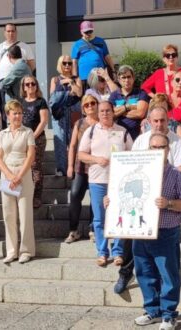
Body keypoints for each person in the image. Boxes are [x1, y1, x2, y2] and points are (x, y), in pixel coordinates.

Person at [104, 132, 181, 330]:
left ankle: (169, 315)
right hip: (140, 231)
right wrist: (111, 201)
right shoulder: (135, 171)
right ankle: (152, 311)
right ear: (148, 149)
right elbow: (121, 195)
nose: (158, 151)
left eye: (162, 147)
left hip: (165, 232)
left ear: (168, 150)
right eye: (154, 147)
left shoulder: (176, 175)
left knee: (168, 274)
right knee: (144, 273)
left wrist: (169, 203)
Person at [112, 107, 181, 295]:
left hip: (165, 221)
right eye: (155, 121)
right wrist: (115, 199)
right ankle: (131, 281)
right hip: (141, 214)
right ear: (149, 121)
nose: (159, 124)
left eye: (162, 120)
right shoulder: (141, 139)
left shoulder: (176, 142)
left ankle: (168, 314)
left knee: (167, 272)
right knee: (144, 269)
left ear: (168, 120)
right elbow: (129, 170)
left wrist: (164, 190)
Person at [77, 100, 132, 267]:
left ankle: (118, 252)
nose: (105, 114)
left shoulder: (122, 132)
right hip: (97, 180)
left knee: (119, 216)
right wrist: (96, 159)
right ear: (98, 113)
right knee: (100, 219)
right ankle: (102, 252)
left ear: (113, 112)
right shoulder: (91, 131)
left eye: (108, 110)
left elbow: (133, 154)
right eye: (102, 111)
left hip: (119, 183)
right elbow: (80, 154)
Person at [0, 100, 37, 264]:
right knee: (9, 215)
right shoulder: (2, 134)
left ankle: (26, 250)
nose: (18, 116)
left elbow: (31, 155)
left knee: (25, 214)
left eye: (20, 113)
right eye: (15, 113)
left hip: (23, 175)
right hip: (7, 176)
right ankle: (12, 251)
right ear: (8, 115)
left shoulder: (28, 132)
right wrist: (9, 175)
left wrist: (19, 175)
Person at [65, 95, 99, 243]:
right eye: (87, 105)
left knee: (94, 197)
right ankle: (73, 230)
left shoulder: (103, 122)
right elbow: (72, 145)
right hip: (81, 165)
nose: (90, 106)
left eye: (93, 103)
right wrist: (70, 165)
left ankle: (93, 229)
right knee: (75, 194)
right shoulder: (79, 123)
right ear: (83, 109)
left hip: (97, 166)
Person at [49, 55, 83, 176]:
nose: (67, 65)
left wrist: (70, 82)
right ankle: (61, 168)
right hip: (60, 113)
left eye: (69, 63)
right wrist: (68, 91)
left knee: (75, 140)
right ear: (60, 64)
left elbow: (79, 93)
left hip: (74, 111)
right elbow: (53, 97)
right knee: (60, 141)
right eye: (64, 63)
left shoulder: (77, 79)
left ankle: (75, 167)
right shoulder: (55, 80)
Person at [19, 75, 49, 209]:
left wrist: (32, 137)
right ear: (23, 87)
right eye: (27, 84)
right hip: (22, 139)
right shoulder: (20, 102)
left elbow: (43, 121)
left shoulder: (41, 101)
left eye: (33, 84)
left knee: (36, 167)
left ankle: (36, 196)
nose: (30, 86)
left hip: (38, 139)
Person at [109, 65, 149, 140]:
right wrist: (127, 107)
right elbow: (111, 115)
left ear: (133, 78)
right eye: (123, 77)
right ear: (119, 80)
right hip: (118, 133)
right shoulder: (114, 95)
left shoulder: (141, 93)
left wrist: (119, 112)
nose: (126, 80)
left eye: (129, 77)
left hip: (137, 133)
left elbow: (140, 113)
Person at [71, 20, 115, 87]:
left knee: (100, 96)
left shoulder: (101, 41)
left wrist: (114, 71)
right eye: (86, 32)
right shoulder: (77, 44)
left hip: (99, 76)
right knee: (87, 96)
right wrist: (74, 77)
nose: (88, 34)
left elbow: (107, 57)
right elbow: (74, 62)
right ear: (81, 32)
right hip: (84, 77)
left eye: (90, 31)